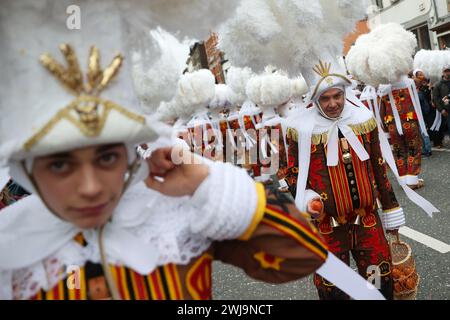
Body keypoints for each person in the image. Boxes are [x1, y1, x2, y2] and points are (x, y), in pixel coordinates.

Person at [0, 0, 332, 301]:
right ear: (27, 169)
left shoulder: (174, 218)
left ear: (130, 155)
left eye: (106, 157)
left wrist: (208, 182)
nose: (91, 187)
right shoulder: (10, 250)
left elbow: (304, 255)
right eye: (60, 165)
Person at [284, 60, 405, 300]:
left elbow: (379, 168)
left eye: (337, 96)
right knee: (333, 288)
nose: (333, 104)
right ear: (315, 100)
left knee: (378, 280)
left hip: (368, 219)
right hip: (326, 224)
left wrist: (391, 208)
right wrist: (307, 199)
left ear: (344, 93)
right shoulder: (300, 129)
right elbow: (293, 173)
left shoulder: (363, 119)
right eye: (325, 99)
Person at [412, 69, 432, 157]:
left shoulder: (421, 89)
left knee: (423, 131)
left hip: (422, 113)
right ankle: (424, 149)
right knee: (420, 132)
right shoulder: (414, 89)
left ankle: (428, 150)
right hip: (416, 114)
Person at [432, 65, 450, 146]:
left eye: (449, 71)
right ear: (443, 72)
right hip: (445, 110)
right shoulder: (438, 84)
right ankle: (438, 142)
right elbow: (435, 99)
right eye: (446, 71)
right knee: (443, 127)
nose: (448, 73)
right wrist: (441, 110)